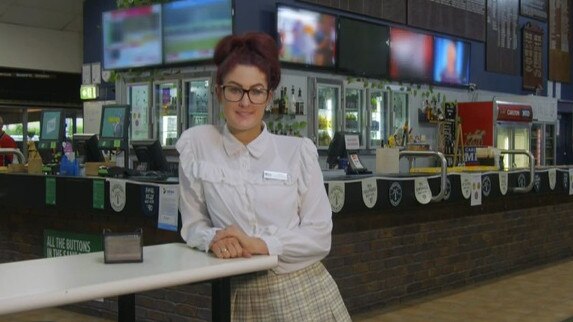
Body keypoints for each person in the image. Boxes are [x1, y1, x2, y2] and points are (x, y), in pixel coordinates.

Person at [176, 32, 351, 321]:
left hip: (306, 292)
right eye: (235, 89)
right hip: (244, 298)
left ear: (269, 97)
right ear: (219, 92)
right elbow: (194, 224)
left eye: (256, 91)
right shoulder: (198, 147)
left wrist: (260, 245)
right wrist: (216, 239)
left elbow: (320, 236)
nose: (245, 102)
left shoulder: (297, 152)